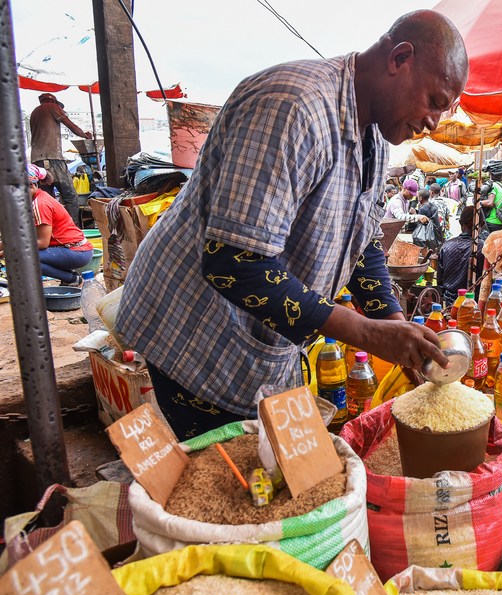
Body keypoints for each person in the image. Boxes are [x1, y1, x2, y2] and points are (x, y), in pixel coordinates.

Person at [116, 10, 467, 439]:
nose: (433, 122)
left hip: (256, 343)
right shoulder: (292, 107)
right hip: (195, 335)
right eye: (434, 101)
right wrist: (363, 331)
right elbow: (234, 261)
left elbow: (363, 243)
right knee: (233, 485)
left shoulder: (375, 134)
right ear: (399, 58)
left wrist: (393, 324)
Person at [0, 164, 93, 286]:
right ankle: (68, 276)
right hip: (70, 249)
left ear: (31, 186)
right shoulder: (36, 199)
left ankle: (71, 279)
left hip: (77, 251)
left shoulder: (40, 204)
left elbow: (42, 243)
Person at [30, 93, 93, 225]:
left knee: (47, 197)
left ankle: (51, 229)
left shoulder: (34, 113)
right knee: (70, 196)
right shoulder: (51, 107)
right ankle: (73, 227)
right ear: (53, 101)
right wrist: (85, 134)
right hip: (53, 158)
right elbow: (71, 126)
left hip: (37, 161)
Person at [437, 206, 482, 306]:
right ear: (481, 225)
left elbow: (439, 281)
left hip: (450, 302)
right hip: (476, 304)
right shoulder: (484, 248)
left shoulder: (446, 246)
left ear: (461, 224)